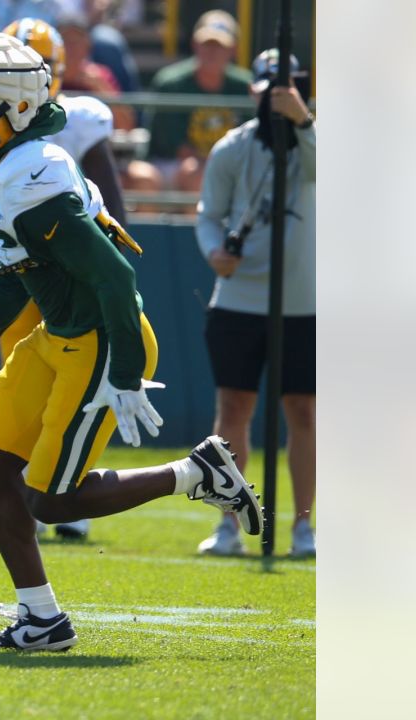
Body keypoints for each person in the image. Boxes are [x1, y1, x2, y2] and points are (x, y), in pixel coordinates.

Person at [0, 33, 263, 650]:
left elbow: (115, 275)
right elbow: (25, 273)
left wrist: (124, 372)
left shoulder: (28, 175)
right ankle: (42, 618)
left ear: (11, 111)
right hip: (57, 334)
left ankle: (194, 471)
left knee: (51, 500)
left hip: (99, 338)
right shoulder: (2, 164)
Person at [0, 16, 136, 539]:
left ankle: (64, 491)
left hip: (71, 271)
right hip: (20, 268)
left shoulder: (78, 120)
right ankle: (24, 493)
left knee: (71, 389)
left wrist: (112, 256)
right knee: (20, 387)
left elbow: (110, 198)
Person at [195, 49, 316, 558]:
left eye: (288, 87)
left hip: (304, 301)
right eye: (269, 89)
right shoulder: (233, 148)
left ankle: (303, 526)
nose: (278, 97)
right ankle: (230, 524)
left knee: (304, 412)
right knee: (234, 408)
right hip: (240, 298)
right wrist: (215, 253)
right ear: (254, 91)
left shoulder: (315, 138)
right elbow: (208, 215)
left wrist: (303, 122)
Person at [147, 10, 251, 194]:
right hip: (174, 165)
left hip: (229, 166)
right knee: (198, 174)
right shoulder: (171, 83)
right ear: (195, 45)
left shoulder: (246, 86)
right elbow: (180, 150)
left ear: (233, 49)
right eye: (206, 44)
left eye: (219, 45)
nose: (212, 52)